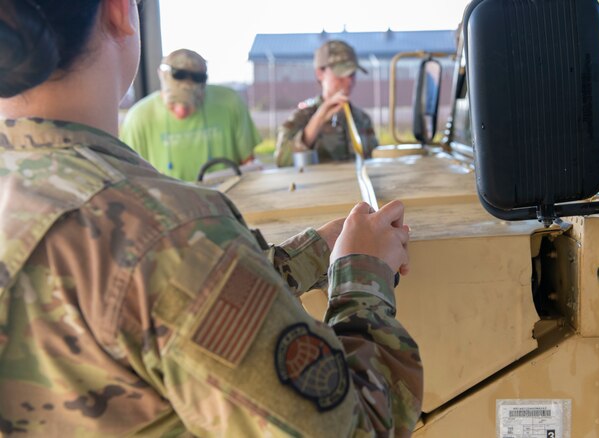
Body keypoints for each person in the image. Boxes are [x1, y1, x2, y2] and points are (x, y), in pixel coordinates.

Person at [0, 0, 422, 436]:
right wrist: (361, 279)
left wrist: (311, 254)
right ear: (120, 11)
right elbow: (356, 428)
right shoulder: (167, 232)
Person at [120, 48, 261, 181]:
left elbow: (249, 164)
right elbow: (129, 176)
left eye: (189, 104)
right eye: (173, 104)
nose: (181, 112)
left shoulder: (230, 102)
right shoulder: (138, 118)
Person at [275, 40, 379, 167]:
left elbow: (374, 160)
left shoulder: (362, 119)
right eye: (341, 74)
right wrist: (317, 122)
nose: (348, 81)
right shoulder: (301, 118)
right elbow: (281, 161)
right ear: (320, 73)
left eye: (352, 74)